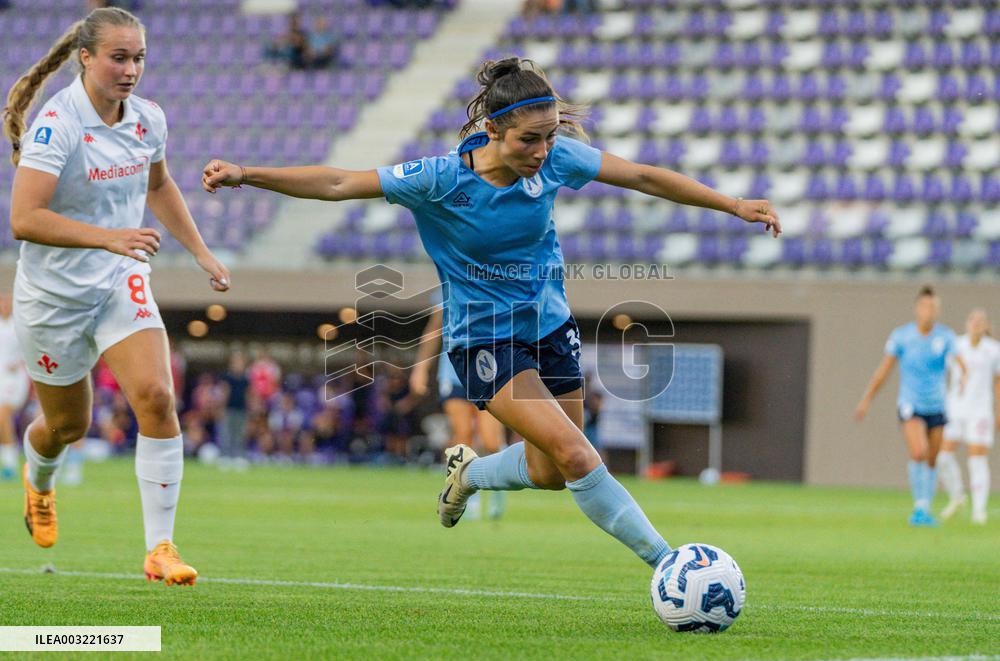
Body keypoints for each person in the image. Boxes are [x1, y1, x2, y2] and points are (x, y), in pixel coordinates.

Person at [201, 56, 780, 569]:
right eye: (531, 139)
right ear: (495, 129)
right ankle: (670, 563)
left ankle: (470, 473)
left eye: (551, 137)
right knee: (579, 454)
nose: (544, 151)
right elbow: (335, 182)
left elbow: (643, 175)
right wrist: (248, 175)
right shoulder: (439, 179)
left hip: (551, 327)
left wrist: (731, 205)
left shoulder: (555, 162)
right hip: (484, 340)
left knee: (553, 470)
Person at [2, 7, 230, 585]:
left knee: (156, 396)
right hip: (52, 298)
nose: (131, 70)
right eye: (118, 58)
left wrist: (201, 252)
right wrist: (110, 236)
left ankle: (161, 548)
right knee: (66, 428)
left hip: (118, 281)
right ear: (86, 57)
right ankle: (41, 479)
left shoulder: (148, 119)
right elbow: (24, 220)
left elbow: (158, 185)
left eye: (139, 59)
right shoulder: (57, 125)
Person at [855, 286, 965, 527]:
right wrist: (866, 399)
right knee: (919, 452)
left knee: (933, 459)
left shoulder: (945, 336)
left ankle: (925, 507)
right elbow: (884, 370)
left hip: (936, 405)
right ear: (917, 308)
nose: (930, 311)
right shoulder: (902, 336)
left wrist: (963, 376)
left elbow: (959, 362)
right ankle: (919, 508)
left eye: (934, 307)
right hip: (910, 404)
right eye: (926, 306)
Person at [410, 290, 507, 519]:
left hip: (488, 372)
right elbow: (434, 330)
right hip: (453, 373)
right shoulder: (449, 285)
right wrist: (420, 369)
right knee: (463, 437)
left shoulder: (494, 285)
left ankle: (499, 488)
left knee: (491, 440)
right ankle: (466, 496)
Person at [937, 309, 999, 525]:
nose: (976, 324)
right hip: (955, 409)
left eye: (981, 321)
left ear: (986, 325)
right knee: (942, 457)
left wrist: (999, 410)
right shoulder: (955, 345)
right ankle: (957, 495)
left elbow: (998, 382)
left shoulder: (993, 350)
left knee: (977, 459)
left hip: (980, 411)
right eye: (972, 319)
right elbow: (941, 373)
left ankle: (979, 510)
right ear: (966, 323)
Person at [0, 292, 31, 481]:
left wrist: (20, 362)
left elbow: (31, 349)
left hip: (15, 379)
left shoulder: (19, 326)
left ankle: (10, 465)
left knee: (3, 414)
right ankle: (9, 462)